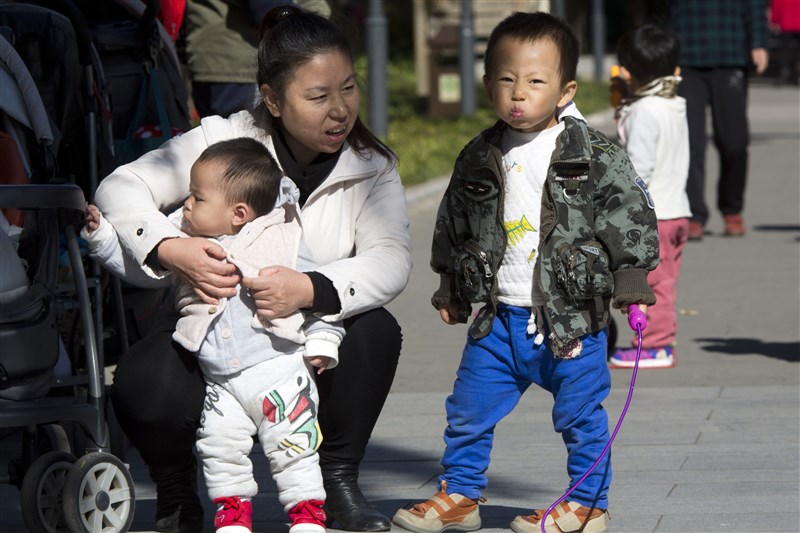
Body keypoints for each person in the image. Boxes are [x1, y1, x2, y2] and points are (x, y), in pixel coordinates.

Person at [93, 6, 411, 532]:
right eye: (318, 96)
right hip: (212, 329)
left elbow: (393, 259)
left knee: (375, 330)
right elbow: (120, 187)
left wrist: (310, 288)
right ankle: (176, 490)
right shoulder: (223, 138)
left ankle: (336, 481)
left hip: (306, 334)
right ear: (272, 99)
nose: (340, 110)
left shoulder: (372, 165)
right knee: (143, 380)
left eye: (348, 88)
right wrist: (171, 248)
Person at [391, 11, 659, 533]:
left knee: (581, 417)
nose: (519, 93)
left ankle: (588, 505)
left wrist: (631, 283)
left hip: (571, 321)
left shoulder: (593, 154)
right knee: (468, 409)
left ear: (565, 91)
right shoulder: (478, 155)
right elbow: (453, 221)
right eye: (507, 79)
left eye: (536, 82)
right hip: (498, 320)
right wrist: (450, 286)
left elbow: (629, 215)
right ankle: (460, 494)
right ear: (487, 85)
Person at [84, 138, 343, 533]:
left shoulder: (282, 238)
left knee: (293, 447)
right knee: (219, 450)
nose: (186, 204)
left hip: (279, 370)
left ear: (238, 213)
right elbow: (140, 265)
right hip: (219, 379)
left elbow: (319, 296)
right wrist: (102, 238)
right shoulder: (181, 236)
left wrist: (324, 341)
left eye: (197, 197)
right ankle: (232, 515)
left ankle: (307, 514)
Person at [607, 25, 691, 370]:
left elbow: (636, 170)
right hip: (676, 210)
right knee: (664, 280)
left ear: (625, 72)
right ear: (675, 69)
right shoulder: (673, 104)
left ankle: (656, 345)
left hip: (653, 216)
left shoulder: (643, 113)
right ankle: (656, 341)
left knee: (654, 282)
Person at [667, 0, 770, 240]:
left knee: (735, 142)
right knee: (690, 142)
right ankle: (693, 213)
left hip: (731, 54)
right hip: (686, 56)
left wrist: (759, 42)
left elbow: (755, 5)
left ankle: (731, 208)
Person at [184, 0, 332, 118]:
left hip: (227, 64)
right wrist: (314, 29)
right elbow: (267, 7)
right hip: (237, 68)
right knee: (247, 141)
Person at [768, 0, 800, 85]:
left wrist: (774, 20)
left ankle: (786, 70)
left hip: (786, 23)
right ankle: (796, 71)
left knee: (785, 50)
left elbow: (776, 7)